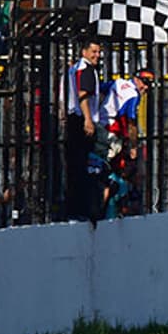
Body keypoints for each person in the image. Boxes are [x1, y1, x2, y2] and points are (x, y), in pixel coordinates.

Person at [96, 69, 154, 218]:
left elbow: (99, 89)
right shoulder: (134, 95)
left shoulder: (118, 83)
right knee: (113, 174)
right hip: (112, 133)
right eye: (145, 83)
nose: (146, 88)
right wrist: (134, 146)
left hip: (99, 127)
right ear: (137, 79)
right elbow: (132, 121)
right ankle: (107, 211)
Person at [65, 39, 102, 221]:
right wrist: (88, 119)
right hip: (81, 121)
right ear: (84, 52)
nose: (97, 55)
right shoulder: (86, 69)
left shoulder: (74, 68)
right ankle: (83, 208)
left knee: (75, 166)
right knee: (84, 167)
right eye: (93, 51)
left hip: (73, 119)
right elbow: (83, 95)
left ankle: (76, 207)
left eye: (98, 52)